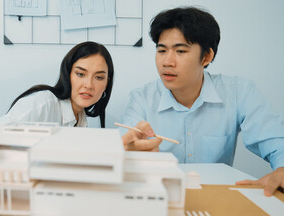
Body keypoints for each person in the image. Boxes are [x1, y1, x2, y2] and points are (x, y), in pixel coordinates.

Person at [121, 7, 284, 196]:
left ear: (206, 57)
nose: (167, 61)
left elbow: (275, 140)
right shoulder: (142, 99)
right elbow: (125, 140)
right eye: (161, 50)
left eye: (180, 51)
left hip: (216, 199)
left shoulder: (239, 91)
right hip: (159, 196)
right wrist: (128, 150)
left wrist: (281, 169)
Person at [0, 41, 114, 128]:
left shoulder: (80, 118)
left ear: (106, 83)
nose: (89, 85)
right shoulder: (42, 104)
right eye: (80, 74)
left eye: (98, 77)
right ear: (67, 74)